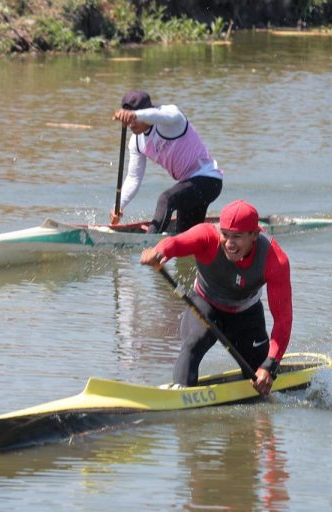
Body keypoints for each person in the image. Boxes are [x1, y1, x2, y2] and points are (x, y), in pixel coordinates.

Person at [140, 199, 292, 396]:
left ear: (254, 234)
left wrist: (270, 365)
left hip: (246, 315)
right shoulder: (207, 236)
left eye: (237, 236)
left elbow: (283, 320)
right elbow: (175, 243)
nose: (229, 243)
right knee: (194, 342)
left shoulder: (274, 259)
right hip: (205, 305)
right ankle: (180, 400)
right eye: (225, 234)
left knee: (260, 381)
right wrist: (158, 252)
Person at [112, 90, 223, 234]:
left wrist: (135, 115)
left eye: (135, 118)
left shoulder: (171, 119)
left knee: (166, 199)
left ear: (148, 112)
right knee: (185, 240)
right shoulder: (136, 142)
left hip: (209, 180)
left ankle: (148, 243)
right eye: (128, 119)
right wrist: (119, 205)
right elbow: (134, 178)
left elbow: (164, 114)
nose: (131, 124)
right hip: (188, 187)